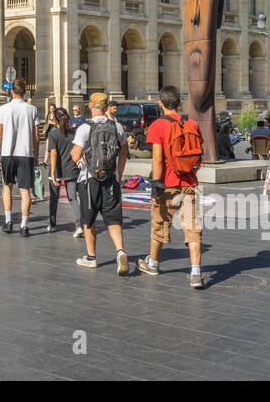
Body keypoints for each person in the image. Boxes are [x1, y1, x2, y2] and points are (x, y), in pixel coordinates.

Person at [139, 85, 204, 288]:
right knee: (193, 228)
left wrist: (154, 187)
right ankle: (196, 273)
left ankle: (153, 263)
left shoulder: (158, 125)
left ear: (160, 104)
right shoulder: (192, 123)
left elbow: (157, 160)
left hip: (166, 183)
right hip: (189, 182)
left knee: (159, 224)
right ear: (179, 102)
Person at [69, 94, 131, 273]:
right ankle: (120, 251)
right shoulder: (116, 126)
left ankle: (91, 257)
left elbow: (75, 154)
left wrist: (81, 161)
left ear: (90, 106)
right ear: (106, 107)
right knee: (113, 219)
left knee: (89, 220)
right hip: (111, 179)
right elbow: (123, 153)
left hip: (89, 180)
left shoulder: (85, 128)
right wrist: (118, 176)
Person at [0, 78, 40, 235]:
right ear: (25, 92)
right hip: (25, 153)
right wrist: (36, 154)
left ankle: (8, 222)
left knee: (7, 187)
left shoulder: (3, 109)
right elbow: (36, 136)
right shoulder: (32, 109)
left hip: (8, 153)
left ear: (11, 91)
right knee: (25, 191)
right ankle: (24, 225)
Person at [46, 106, 82, 237]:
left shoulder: (53, 134)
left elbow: (54, 154)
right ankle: (79, 226)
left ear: (55, 119)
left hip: (57, 170)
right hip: (71, 170)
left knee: (54, 199)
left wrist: (52, 173)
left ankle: (52, 224)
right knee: (73, 199)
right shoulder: (74, 132)